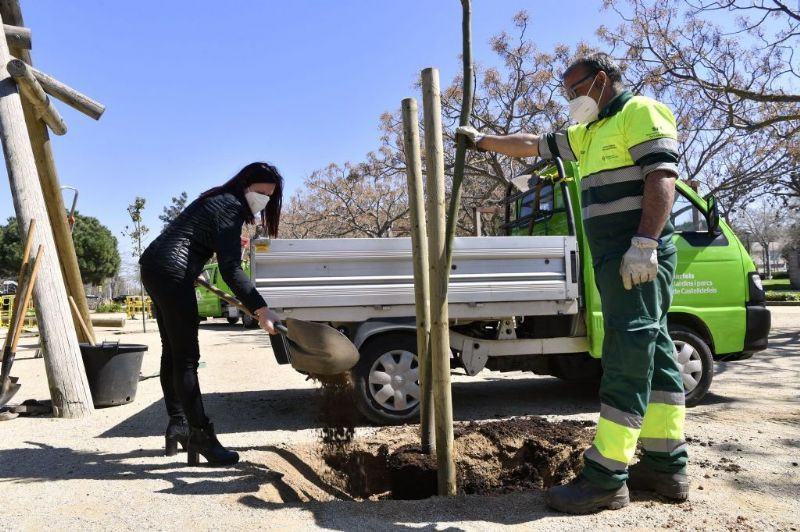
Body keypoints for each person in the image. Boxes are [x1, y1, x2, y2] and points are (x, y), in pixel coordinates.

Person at [458, 52, 688, 514]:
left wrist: (643, 243)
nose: (571, 99)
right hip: (614, 258)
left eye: (575, 89)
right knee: (658, 354)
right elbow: (532, 144)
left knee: (626, 357)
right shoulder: (587, 133)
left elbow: (661, 177)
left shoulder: (640, 111)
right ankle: (667, 467)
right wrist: (482, 140)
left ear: (601, 80)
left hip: (635, 257)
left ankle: (606, 477)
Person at [140, 162, 283, 467]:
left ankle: (178, 425)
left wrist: (194, 270)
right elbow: (231, 268)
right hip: (172, 270)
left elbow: (189, 239)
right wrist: (261, 308)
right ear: (245, 185)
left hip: (154, 266)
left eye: (268, 197)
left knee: (174, 352)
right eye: (259, 192)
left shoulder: (214, 199)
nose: (262, 201)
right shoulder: (231, 206)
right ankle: (200, 435)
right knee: (187, 358)